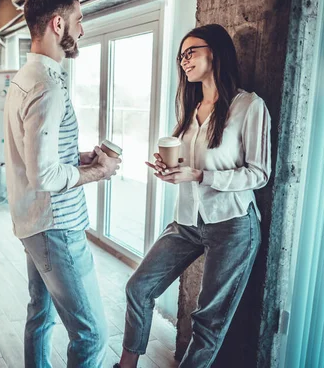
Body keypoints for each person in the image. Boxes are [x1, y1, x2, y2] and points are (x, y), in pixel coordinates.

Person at [116, 24, 271, 368]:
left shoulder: (249, 106)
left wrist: (200, 174)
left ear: (215, 51)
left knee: (207, 320)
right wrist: (171, 170)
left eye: (192, 52)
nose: (184, 61)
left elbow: (259, 174)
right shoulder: (191, 107)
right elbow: (189, 164)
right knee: (139, 288)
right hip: (187, 220)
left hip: (232, 225)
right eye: (181, 56)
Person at [4, 0, 121, 367]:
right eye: (79, 19)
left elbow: (34, 153)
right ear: (58, 24)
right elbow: (45, 177)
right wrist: (99, 172)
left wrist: (82, 156)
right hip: (56, 226)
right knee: (92, 336)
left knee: (40, 313)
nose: (82, 28)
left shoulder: (24, 78)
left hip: (32, 220)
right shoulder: (47, 86)